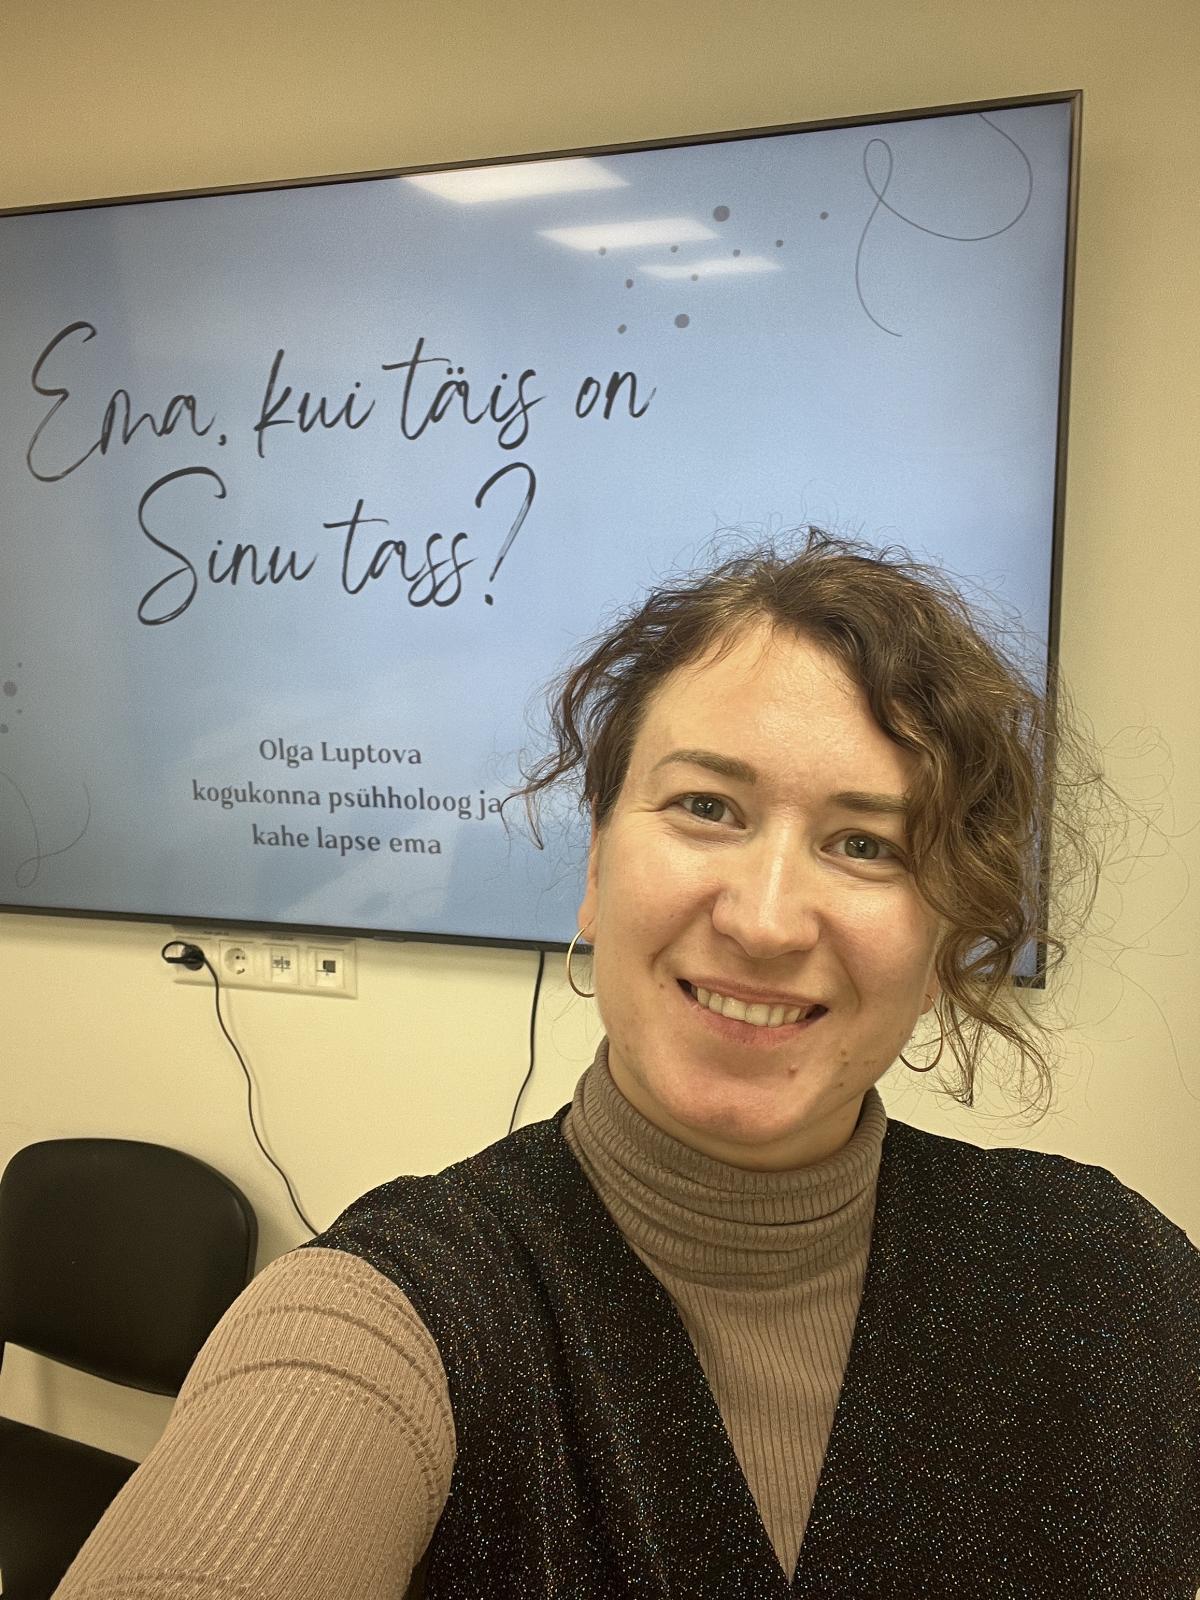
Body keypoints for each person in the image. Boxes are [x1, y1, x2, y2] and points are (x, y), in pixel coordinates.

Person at [54, 530, 1199, 1598]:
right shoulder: (391, 1318)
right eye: (708, 806)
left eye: (865, 843)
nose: (765, 920)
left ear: (946, 934)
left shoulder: (1119, 1286)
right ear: (597, 869)